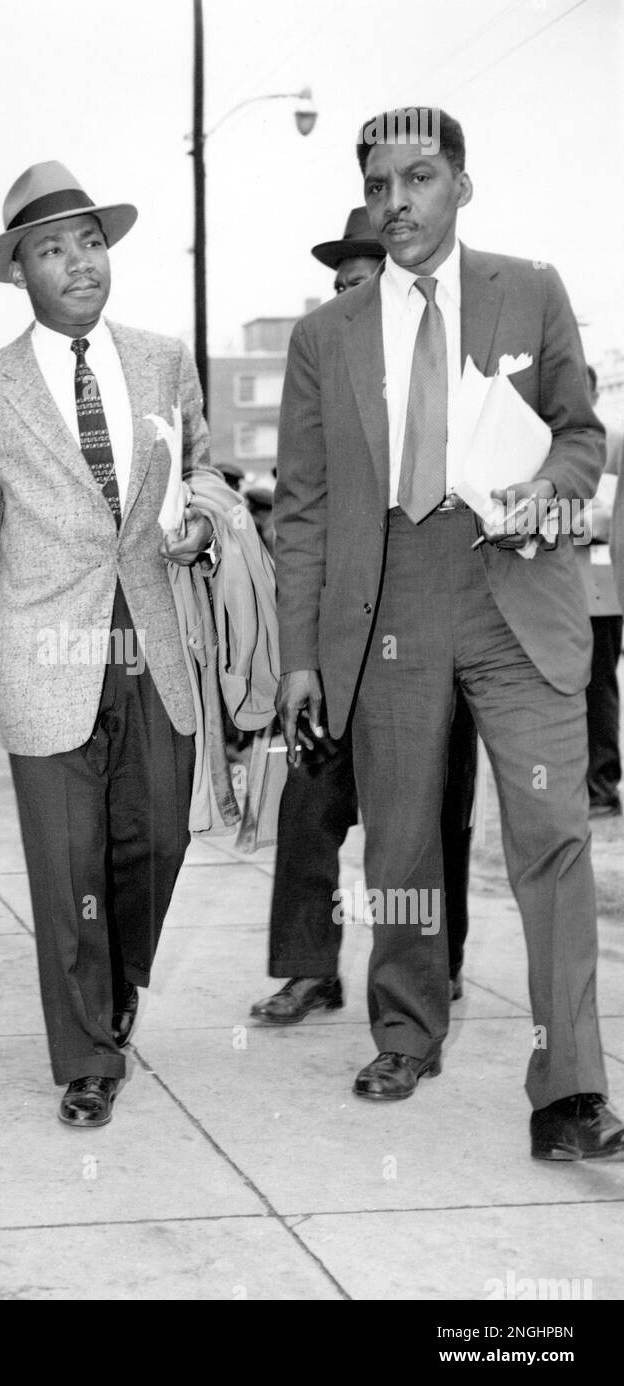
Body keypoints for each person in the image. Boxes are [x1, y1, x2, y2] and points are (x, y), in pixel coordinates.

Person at [273, 108, 624, 1161]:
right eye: (380, 185)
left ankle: (569, 1086)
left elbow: (581, 433)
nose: (398, 203)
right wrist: (298, 654)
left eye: (418, 179)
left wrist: (545, 489)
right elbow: (300, 505)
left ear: (460, 185)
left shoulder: (532, 289)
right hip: (389, 603)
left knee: (551, 840)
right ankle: (405, 1030)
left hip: (515, 587)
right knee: (404, 843)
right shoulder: (319, 338)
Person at [0, 161, 213, 1128]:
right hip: (39, 649)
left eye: (91, 242)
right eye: (53, 249)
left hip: (154, 636)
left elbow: (206, 475)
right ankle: (87, 1053)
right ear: (21, 270)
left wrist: (205, 523)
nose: (80, 263)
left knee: (161, 836)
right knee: (67, 866)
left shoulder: (165, 360)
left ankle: (120, 980)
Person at [251, 207, 477, 1026]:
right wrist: (297, 655)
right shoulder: (323, 368)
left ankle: (436, 963)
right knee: (308, 804)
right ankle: (311, 968)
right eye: (342, 282)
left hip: (432, 629)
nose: (352, 294)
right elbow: (297, 519)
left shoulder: (444, 372)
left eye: (368, 277)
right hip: (341, 639)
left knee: (431, 816)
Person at [576, 366, 622, 818]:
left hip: (601, 590)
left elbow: (605, 518)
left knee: (598, 691)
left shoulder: (611, 440)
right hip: (565, 589)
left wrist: (553, 523)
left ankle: (602, 787)